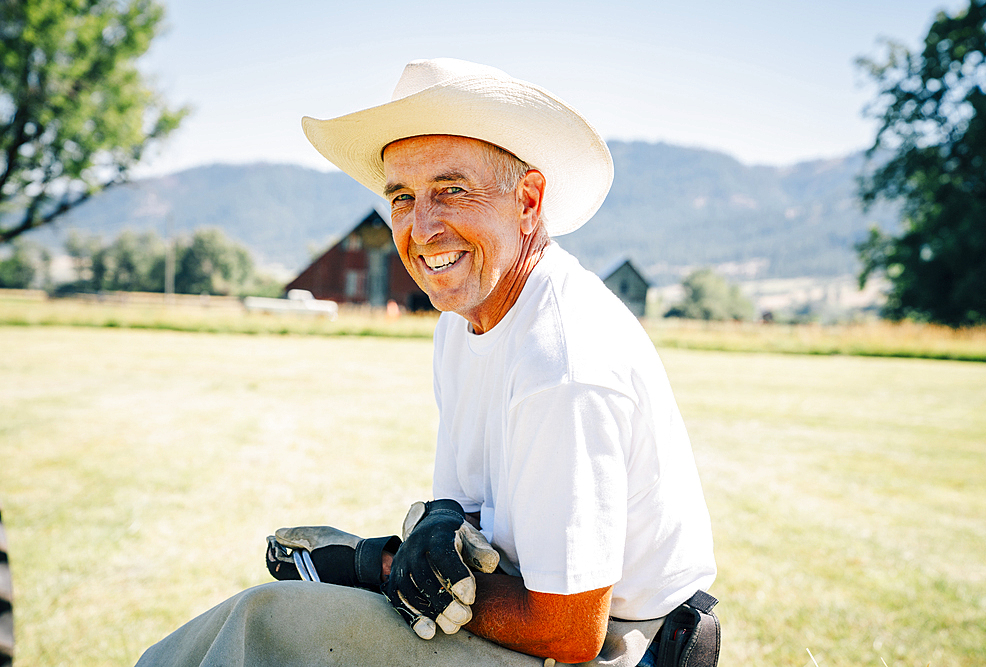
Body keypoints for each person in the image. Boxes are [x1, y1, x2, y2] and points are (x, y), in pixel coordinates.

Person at [134, 58, 717, 667]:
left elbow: (569, 630)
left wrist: (379, 568)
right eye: (404, 198)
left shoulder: (562, 361)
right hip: (535, 614)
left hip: (620, 648)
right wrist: (427, 534)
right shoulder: (460, 326)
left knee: (267, 626)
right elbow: (466, 512)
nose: (423, 227)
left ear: (528, 201)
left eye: (452, 190)